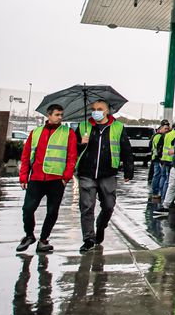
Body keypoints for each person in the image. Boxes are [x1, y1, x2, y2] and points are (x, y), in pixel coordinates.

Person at [75, 99, 135, 253]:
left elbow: (126, 150)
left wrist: (129, 170)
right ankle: (88, 238)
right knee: (86, 207)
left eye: (100, 108)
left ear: (107, 111)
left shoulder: (118, 127)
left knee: (108, 206)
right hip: (86, 173)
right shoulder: (83, 126)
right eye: (94, 108)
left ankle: (101, 226)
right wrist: (80, 143)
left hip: (108, 173)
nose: (96, 111)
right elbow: (72, 149)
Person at [17, 104, 77, 253]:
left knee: (52, 211)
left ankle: (43, 240)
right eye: (57, 114)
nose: (60, 117)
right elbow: (26, 156)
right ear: (49, 115)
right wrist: (23, 177)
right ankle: (29, 235)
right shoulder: (36, 133)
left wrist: (66, 177)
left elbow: (71, 157)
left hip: (56, 180)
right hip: (36, 178)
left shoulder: (68, 133)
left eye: (61, 115)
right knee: (28, 209)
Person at [149, 120, 170, 202]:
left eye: (168, 128)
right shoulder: (158, 136)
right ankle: (156, 192)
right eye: (165, 128)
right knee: (158, 175)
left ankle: (156, 192)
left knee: (158, 175)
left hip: (156, 158)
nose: (167, 130)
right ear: (161, 128)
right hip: (158, 159)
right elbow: (159, 148)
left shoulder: (155, 136)